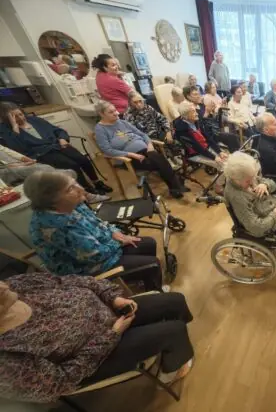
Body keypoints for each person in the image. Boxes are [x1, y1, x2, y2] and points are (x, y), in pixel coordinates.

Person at [0, 273, 194, 403]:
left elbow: (68, 280)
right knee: (173, 331)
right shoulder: (5, 358)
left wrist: (112, 297)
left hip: (110, 311)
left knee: (175, 300)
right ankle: (172, 368)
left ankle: (172, 345)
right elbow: (58, 383)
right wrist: (111, 335)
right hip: (97, 357)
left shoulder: (15, 286)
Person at [24, 171, 164, 291]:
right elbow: (94, 255)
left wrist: (114, 232)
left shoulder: (72, 203)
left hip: (102, 248)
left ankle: (142, 280)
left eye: (75, 183)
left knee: (149, 243)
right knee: (152, 264)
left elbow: (97, 222)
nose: (80, 189)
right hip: (86, 269)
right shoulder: (56, 226)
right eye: (70, 189)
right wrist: (119, 242)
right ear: (51, 199)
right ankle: (153, 293)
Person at [0, 102, 112, 195]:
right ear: (7, 119)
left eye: (20, 114)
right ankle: (86, 189)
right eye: (15, 117)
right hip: (41, 153)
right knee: (71, 165)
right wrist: (15, 129)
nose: (20, 118)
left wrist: (62, 138)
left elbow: (57, 130)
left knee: (82, 159)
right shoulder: (7, 131)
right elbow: (17, 148)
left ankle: (96, 182)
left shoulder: (35, 120)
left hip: (57, 145)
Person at [94, 101, 186, 199]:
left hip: (146, 150)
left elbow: (142, 134)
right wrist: (132, 155)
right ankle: (176, 185)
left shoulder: (122, 122)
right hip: (129, 158)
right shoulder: (100, 129)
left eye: (115, 110)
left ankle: (175, 187)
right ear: (101, 114)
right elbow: (107, 150)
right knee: (160, 161)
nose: (116, 113)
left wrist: (149, 144)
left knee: (159, 160)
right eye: (111, 112)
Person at [0, 144, 109, 203]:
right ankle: (85, 193)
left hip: (16, 165)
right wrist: (16, 165)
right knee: (44, 169)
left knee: (46, 168)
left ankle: (79, 190)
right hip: (5, 172)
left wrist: (25, 159)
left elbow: (6, 150)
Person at [173, 101, 227, 194]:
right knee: (224, 166)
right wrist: (214, 157)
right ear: (186, 116)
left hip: (204, 148)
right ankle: (218, 186)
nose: (197, 113)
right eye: (193, 111)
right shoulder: (181, 129)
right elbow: (196, 147)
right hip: (194, 153)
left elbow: (207, 137)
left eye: (195, 110)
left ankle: (220, 178)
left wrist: (219, 151)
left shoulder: (195, 121)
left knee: (226, 159)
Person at [185, 85, 240, 153]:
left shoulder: (201, 106)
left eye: (199, 93)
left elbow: (210, 119)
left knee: (233, 137)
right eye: (195, 94)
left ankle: (236, 155)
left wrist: (213, 112)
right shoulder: (190, 109)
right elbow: (197, 127)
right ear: (188, 96)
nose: (198, 96)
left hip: (212, 131)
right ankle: (236, 156)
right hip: (204, 135)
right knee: (231, 137)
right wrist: (207, 113)